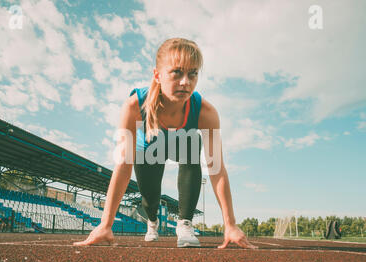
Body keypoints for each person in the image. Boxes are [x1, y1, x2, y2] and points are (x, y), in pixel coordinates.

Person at [74, 38, 257, 249]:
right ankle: (152, 222)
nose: (185, 82)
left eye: (193, 74)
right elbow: (123, 166)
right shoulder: (135, 106)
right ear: (157, 75)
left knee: (191, 143)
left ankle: (185, 223)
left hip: (182, 143)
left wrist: (230, 224)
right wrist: (105, 224)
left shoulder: (206, 112)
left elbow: (216, 170)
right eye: (177, 72)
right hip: (148, 148)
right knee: (150, 198)